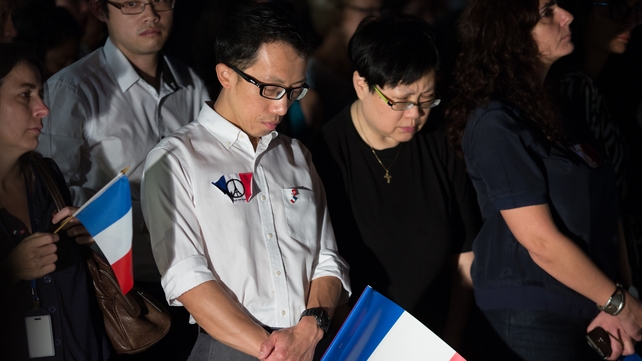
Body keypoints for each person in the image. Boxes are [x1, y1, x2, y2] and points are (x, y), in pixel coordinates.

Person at [141, 2, 350, 361]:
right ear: (226, 75)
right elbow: (186, 277)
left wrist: (310, 328)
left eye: (295, 90)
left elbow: (327, 260)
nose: (283, 107)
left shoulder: (297, 155)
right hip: (230, 347)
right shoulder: (176, 158)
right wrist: (272, 350)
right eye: (271, 88)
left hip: (309, 344)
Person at [447, 0, 642, 360]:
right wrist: (617, 302)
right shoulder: (495, 122)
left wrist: (621, 293)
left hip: (589, 303)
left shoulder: (556, 109)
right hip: (530, 313)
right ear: (512, 35)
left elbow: (607, 210)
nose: (568, 16)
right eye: (547, 12)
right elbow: (540, 240)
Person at [36, 0, 210, 358]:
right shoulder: (73, 88)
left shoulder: (190, 84)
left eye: (160, 1)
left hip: (195, 275)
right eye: (131, 3)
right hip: (123, 288)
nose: (150, 14)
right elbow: (53, 190)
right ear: (101, 11)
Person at [307, 14, 480, 350]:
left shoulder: (439, 141)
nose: (415, 115)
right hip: (363, 342)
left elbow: (466, 254)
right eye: (399, 102)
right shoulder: (323, 157)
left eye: (426, 100)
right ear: (361, 84)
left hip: (440, 338)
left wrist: (450, 343)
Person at [0, 43, 111, 360]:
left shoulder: (46, 177)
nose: (43, 109)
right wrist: (11, 270)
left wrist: (86, 234)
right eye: (25, 95)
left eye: (40, 94)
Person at [553, 0, 642, 290]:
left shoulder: (603, 86)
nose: (630, 21)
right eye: (617, 9)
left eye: (636, 10)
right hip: (602, 262)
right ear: (583, 14)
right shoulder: (575, 87)